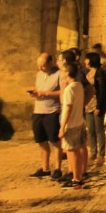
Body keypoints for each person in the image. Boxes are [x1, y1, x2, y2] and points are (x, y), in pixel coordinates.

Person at [29, 53, 63, 181]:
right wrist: (35, 92)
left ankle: (58, 168)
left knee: (54, 141)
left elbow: (62, 91)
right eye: (38, 65)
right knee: (41, 140)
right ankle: (45, 168)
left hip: (52, 112)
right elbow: (38, 88)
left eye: (43, 66)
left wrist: (46, 93)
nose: (40, 68)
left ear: (50, 63)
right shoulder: (39, 74)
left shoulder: (59, 74)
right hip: (38, 110)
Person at [58, 62, 86, 189]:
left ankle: (76, 179)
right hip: (79, 122)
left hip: (71, 124)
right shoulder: (78, 85)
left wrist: (62, 127)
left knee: (71, 151)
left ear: (68, 73)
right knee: (77, 150)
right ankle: (78, 177)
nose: (61, 73)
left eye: (63, 71)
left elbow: (67, 108)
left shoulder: (69, 89)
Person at [84, 52, 106, 166]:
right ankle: (93, 151)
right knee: (90, 130)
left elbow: (102, 91)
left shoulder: (100, 73)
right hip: (88, 104)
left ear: (91, 60)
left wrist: (99, 107)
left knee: (99, 130)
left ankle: (101, 154)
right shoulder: (87, 72)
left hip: (96, 104)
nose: (85, 61)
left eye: (86, 59)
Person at [92, 43, 106, 126]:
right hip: (96, 81)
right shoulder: (94, 59)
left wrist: (100, 69)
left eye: (96, 51)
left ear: (100, 49)